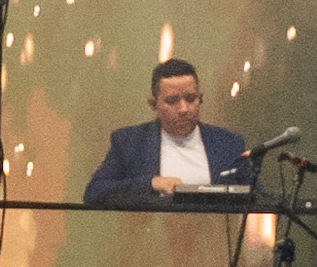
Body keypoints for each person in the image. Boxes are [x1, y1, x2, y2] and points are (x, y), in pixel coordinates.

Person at [82, 56, 252, 205]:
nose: (184, 108)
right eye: (172, 101)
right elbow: (95, 192)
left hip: (214, 231)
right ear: (153, 105)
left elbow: (256, 197)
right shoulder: (130, 142)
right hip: (150, 230)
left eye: (191, 99)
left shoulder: (228, 143)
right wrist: (151, 184)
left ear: (201, 99)